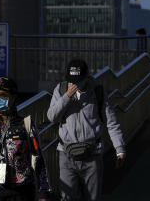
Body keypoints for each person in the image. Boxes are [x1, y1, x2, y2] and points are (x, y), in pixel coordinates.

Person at [47, 58, 126, 201]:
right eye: (72, 80)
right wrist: (67, 97)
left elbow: (111, 122)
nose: (75, 84)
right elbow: (52, 117)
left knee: (92, 197)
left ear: (86, 77)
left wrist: (119, 148)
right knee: (68, 197)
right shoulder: (61, 89)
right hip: (66, 153)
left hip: (92, 153)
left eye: (79, 80)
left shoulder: (97, 90)